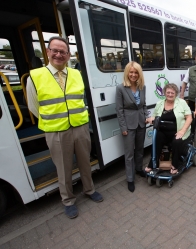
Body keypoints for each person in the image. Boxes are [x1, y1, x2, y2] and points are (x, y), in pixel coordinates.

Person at [26, 36, 103, 219]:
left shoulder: (76, 74)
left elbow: (80, 99)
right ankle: (68, 200)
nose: (59, 55)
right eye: (55, 50)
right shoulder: (35, 76)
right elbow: (33, 107)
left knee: (85, 162)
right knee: (63, 167)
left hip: (80, 127)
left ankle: (89, 190)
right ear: (48, 52)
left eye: (63, 52)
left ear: (68, 55)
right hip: (56, 131)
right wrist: (53, 120)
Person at [116, 61, 149, 193]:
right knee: (129, 154)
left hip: (141, 123)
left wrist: (146, 116)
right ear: (127, 73)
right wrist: (123, 127)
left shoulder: (142, 87)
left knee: (140, 149)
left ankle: (139, 169)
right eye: (131, 72)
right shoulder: (120, 88)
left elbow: (143, 104)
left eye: (136, 72)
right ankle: (130, 179)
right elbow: (119, 110)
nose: (133, 75)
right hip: (128, 126)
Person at [145, 83, 192, 174]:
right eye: (168, 92)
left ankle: (175, 165)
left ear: (176, 93)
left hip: (178, 131)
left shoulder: (181, 103)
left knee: (176, 141)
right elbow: (155, 117)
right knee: (156, 138)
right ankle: (152, 163)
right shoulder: (160, 104)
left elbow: (189, 118)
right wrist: (149, 119)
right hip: (163, 131)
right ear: (165, 93)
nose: (170, 95)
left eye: (172, 93)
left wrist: (182, 131)